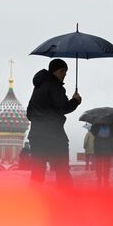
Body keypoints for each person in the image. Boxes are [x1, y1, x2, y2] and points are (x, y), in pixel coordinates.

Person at [26, 58, 82, 189]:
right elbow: (62, 107)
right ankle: (65, 200)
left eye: (66, 71)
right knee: (62, 170)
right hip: (54, 136)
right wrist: (76, 101)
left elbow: (29, 113)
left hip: (36, 136)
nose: (65, 74)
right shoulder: (55, 86)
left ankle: (34, 201)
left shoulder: (38, 87)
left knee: (37, 172)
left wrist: (41, 119)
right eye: (63, 71)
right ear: (55, 70)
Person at [91, 123, 113, 188]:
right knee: (107, 164)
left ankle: (99, 177)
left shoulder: (96, 123)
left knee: (98, 163)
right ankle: (106, 178)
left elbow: (93, 132)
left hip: (98, 146)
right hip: (108, 146)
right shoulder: (111, 123)